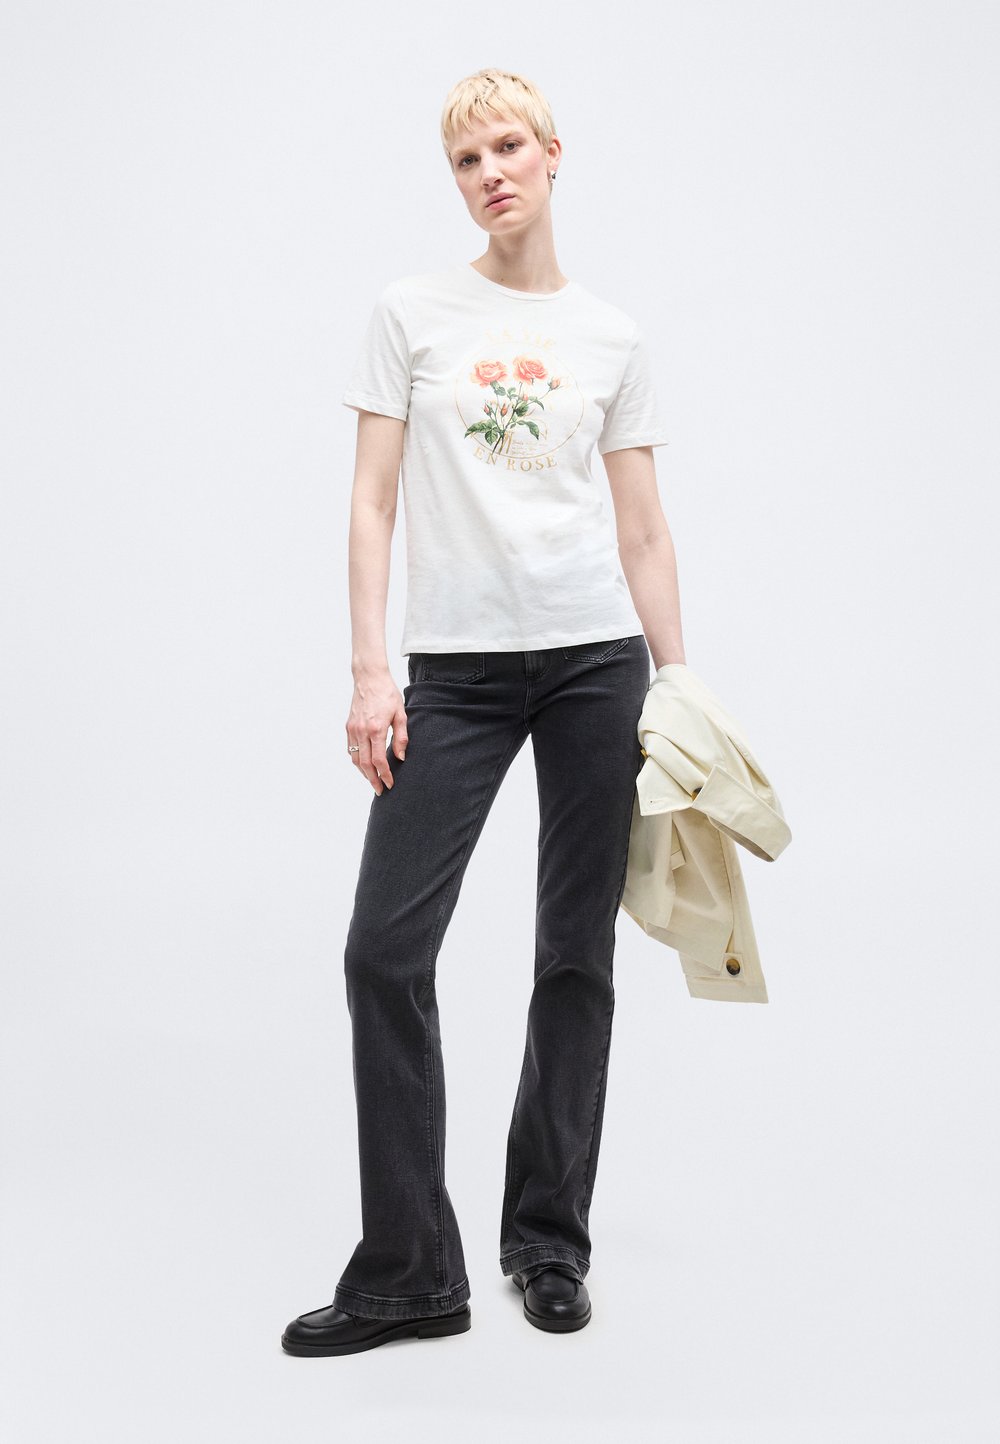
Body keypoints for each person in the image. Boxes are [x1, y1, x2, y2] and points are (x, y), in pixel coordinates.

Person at [281, 67, 686, 1358]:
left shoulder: (611, 336)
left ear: (555, 154)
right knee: (383, 953)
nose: (490, 173)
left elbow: (642, 529)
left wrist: (678, 685)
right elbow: (370, 502)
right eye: (466, 159)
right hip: (452, 672)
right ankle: (411, 1272)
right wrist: (370, 672)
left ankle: (548, 1242)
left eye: (509, 147)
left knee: (575, 956)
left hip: (593, 664)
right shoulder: (411, 313)